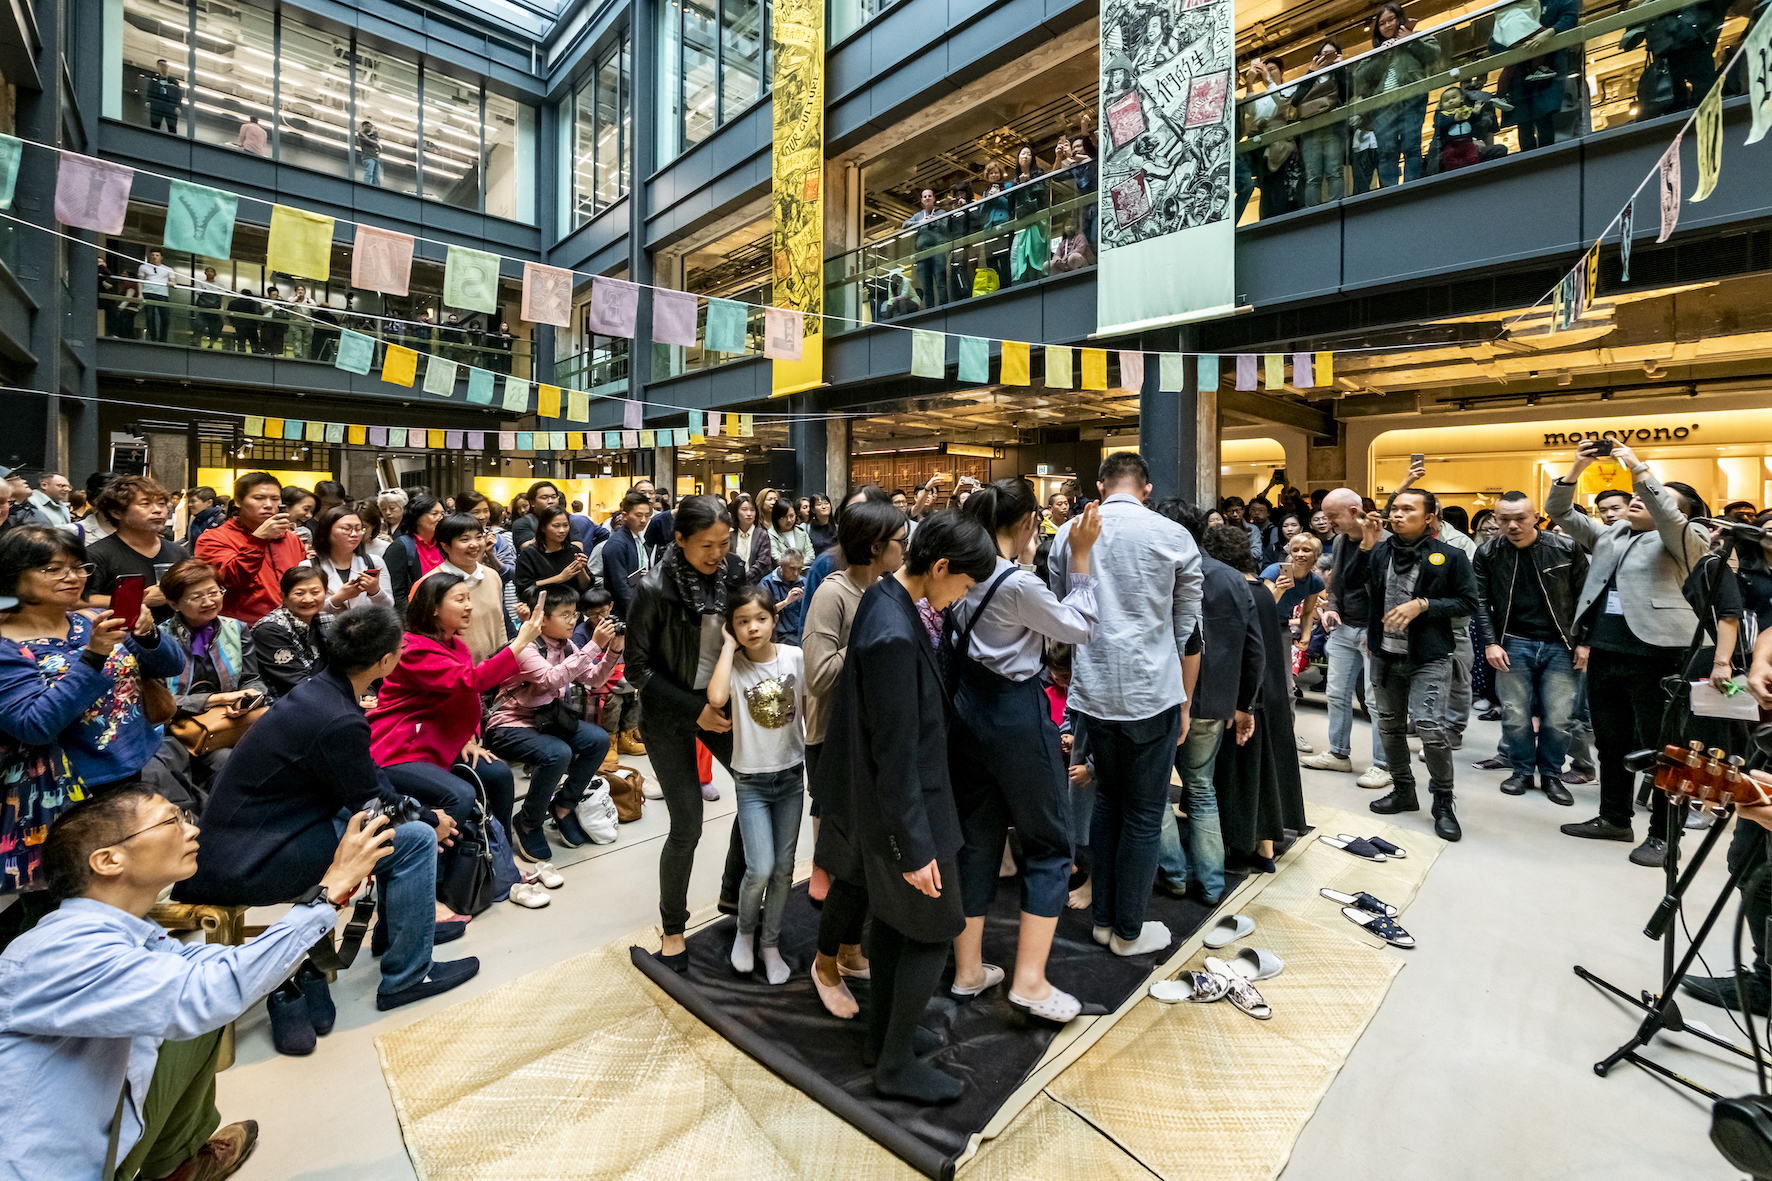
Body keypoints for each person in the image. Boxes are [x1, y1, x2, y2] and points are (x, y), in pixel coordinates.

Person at [0, 786, 391, 1180]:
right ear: (108, 860)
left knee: (207, 1014)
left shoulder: (130, 932)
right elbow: (207, 992)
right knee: (206, 1001)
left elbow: (218, 970)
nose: (192, 830)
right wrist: (329, 892)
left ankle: (178, 1164)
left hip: (101, 1136)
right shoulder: (60, 951)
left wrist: (327, 896)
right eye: (172, 821)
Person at [173, 607, 479, 1012]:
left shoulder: (322, 691)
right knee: (415, 838)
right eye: (399, 647)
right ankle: (408, 975)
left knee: (400, 827)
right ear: (384, 661)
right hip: (253, 860)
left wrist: (418, 812)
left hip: (258, 836)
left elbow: (367, 777)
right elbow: (371, 800)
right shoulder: (335, 716)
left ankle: (401, 933)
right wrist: (427, 818)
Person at [812, 510, 995, 1102]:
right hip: (906, 805)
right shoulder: (892, 627)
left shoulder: (886, 597)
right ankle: (893, 1067)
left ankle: (885, 1039)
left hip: (902, 798)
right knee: (931, 927)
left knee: (894, 924)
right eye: (964, 584)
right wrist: (913, 845)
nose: (963, 595)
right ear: (940, 567)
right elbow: (892, 750)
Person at [946, 479, 1100, 1022]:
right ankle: (1029, 982)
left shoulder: (961, 571)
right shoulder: (1017, 584)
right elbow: (1080, 628)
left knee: (976, 838)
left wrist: (1028, 559)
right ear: (1028, 524)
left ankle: (968, 972)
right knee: (1050, 844)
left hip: (968, 712)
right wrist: (1079, 559)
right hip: (1016, 714)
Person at [1047, 452, 1200, 957]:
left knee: (1110, 804)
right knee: (1142, 811)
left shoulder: (1069, 532)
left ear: (1099, 484)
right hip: (1152, 690)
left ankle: (1104, 919)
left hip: (1092, 692)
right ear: (1147, 488)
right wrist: (1185, 698)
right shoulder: (1174, 536)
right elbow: (1187, 627)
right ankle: (1128, 931)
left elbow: (1061, 610)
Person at [1548, 441, 1708, 866]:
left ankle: (1663, 836)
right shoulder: (1613, 533)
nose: (1638, 496)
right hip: (1606, 649)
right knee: (1611, 741)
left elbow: (1670, 519)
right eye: (1635, 493)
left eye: (1650, 495)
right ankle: (1614, 819)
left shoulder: (1688, 539)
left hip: (1660, 655)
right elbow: (1561, 513)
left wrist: (1639, 468)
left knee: (1663, 748)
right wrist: (1577, 466)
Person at [0, 526, 183, 894]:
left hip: (133, 770)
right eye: (52, 569)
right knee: (73, 896)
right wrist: (95, 655)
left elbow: (170, 665)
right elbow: (33, 724)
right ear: (12, 575)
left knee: (129, 890)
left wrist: (147, 634)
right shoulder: (7, 645)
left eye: (77, 566)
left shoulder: (89, 621)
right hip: (66, 792)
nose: (72, 577)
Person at [628, 496, 750, 971]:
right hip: (669, 714)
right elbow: (637, 669)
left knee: (758, 789)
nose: (717, 554)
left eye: (724, 543)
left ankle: (733, 891)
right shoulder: (654, 588)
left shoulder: (733, 574)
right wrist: (694, 710)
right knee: (688, 826)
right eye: (706, 545)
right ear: (679, 539)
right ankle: (674, 927)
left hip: (720, 706)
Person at [802, 498, 907, 1017]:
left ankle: (847, 950)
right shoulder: (833, 594)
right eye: (898, 541)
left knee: (868, 859)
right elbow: (819, 675)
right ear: (874, 547)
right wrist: (871, 636)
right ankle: (823, 963)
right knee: (850, 862)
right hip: (832, 742)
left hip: (870, 739)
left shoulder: (886, 590)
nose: (905, 549)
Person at [1340, 489, 1479, 841]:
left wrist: (1424, 604)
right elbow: (1350, 583)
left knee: (1431, 728)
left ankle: (1443, 802)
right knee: (1388, 724)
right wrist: (1368, 544)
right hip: (1385, 654)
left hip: (1428, 656)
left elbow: (1468, 603)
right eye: (1395, 509)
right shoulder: (1381, 549)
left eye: (1408, 509)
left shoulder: (1450, 555)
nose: (1398, 514)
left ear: (1430, 517)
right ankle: (1404, 790)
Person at [371, 573, 542, 843]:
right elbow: (471, 680)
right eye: (460, 599)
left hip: (442, 743)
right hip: (404, 748)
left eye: (469, 599)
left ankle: (500, 857)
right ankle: (446, 871)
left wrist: (470, 737)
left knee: (498, 775)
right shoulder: (413, 649)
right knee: (460, 794)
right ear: (434, 608)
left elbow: (467, 695)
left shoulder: (454, 643)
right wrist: (521, 642)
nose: (469, 606)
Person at [1154, 505, 1261, 901]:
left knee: (1158, 790)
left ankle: (1174, 874)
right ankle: (1212, 883)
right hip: (1215, 701)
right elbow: (1254, 649)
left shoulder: (1160, 571)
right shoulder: (1234, 578)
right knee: (1201, 789)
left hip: (1165, 696)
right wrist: (1244, 704)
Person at [706, 585, 808, 985]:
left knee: (783, 870)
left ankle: (771, 943)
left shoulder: (795, 658)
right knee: (760, 867)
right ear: (732, 627)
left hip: (790, 777)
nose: (753, 628)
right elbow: (715, 698)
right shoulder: (732, 668)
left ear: (775, 620)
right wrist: (728, 648)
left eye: (761, 619)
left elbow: (810, 705)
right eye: (742, 622)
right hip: (751, 781)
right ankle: (744, 934)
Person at [485, 585, 620, 863]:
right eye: (566, 615)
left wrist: (613, 652)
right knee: (558, 753)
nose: (573, 620)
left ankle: (563, 805)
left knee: (598, 740)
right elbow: (552, 679)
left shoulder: (566, 644)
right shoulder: (525, 647)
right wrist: (594, 644)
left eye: (574, 614)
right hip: (508, 724)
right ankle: (528, 821)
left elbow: (593, 679)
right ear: (542, 619)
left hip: (546, 719)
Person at [1471, 491, 1587, 805]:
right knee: (1515, 713)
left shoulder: (1565, 547)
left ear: (1536, 517)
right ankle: (1521, 770)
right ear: (1495, 519)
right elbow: (1479, 602)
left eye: (1520, 518)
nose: (1512, 525)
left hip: (1561, 644)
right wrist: (1491, 642)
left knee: (1558, 716)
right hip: (1513, 642)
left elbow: (1586, 598)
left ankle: (1551, 774)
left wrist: (1585, 642)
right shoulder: (1488, 552)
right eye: (1504, 519)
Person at [158, 558, 269, 784]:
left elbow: (252, 679)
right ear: (174, 604)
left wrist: (248, 699)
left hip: (230, 722)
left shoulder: (236, 629)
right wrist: (216, 699)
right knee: (227, 761)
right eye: (196, 597)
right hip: (179, 731)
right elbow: (161, 704)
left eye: (214, 592)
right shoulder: (159, 641)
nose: (208, 602)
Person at [194, 472, 308, 625]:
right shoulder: (213, 539)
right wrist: (258, 540)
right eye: (259, 498)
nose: (268, 505)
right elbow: (232, 579)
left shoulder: (291, 538)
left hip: (291, 627)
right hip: (243, 630)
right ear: (238, 502)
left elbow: (303, 582)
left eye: (274, 499)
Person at [1353, 2, 1440, 187]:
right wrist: (1383, 53)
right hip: (1383, 107)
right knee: (1386, 151)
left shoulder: (1417, 37)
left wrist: (1409, 40)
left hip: (1412, 100)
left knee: (1411, 146)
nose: (1387, 25)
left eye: (1391, 19)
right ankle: (1390, 193)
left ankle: (1412, 189)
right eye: (1382, 23)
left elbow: (1434, 54)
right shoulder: (1375, 52)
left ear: (1399, 18)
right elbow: (1360, 77)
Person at [85, 475, 190, 626]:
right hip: (120, 641)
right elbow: (78, 601)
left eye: (161, 504)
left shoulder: (178, 552)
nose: (157, 510)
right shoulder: (97, 554)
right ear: (117, 512)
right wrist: (138, 599)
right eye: (145, 504)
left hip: (174, 638)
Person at [411, 512, 510, 663]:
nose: (475, 544)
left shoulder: (492, 576)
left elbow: (499, 623)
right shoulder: (429, 583)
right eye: (465, 539)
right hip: (454, 674)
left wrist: (504, 662)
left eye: (479, 537)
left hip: (493, 671)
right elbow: (418, 636)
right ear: (445, 546)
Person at [251, 566, 328, 701]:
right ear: (283, 597)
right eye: (299, 594)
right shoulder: (269, 630)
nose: (308, 599)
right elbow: (298, 683)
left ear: (326, 593)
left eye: (315, 592)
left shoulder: (325, 621)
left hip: (320, 696)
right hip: (282, 705)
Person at [311, 503, 393, 616]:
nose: (354, 534)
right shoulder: (310, 566)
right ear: (327, 531)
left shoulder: (374, 562)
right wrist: (339, 598)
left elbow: (389, 607)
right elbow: (305, 610)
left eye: (359, 529)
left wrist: (375, 591)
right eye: (346, 529)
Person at [514, 504, 592, 602]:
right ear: (543, 528)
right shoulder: (529, 555)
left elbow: (586, 588)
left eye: (566, 525)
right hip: (543, 610)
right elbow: (524, 589)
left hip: (573, 610)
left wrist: (581, 570)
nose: (562, 530)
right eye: (556, 526)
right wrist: (560, 578)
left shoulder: (574, 551)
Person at [383, 491, 445, 609]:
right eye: (435, 513)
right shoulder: (400, 547)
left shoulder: (443, 544)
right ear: (417, 518)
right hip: (415, 617)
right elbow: (396, 594)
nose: (440, 518)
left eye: (442, 514)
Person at [601, 490, 655, 622]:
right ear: (624, 516)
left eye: (647, 516)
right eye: (638, 515)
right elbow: (620, 587)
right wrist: (640, 614)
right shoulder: (617, 544)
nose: (643, 520)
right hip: (624, 614)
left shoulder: (637, 537)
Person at [760, 550, 808, 645]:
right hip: (779, 636)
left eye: (799, 569)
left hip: (802, 633)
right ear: (781, 565)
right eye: (792, 568)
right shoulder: (767, 583)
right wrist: (786, 602)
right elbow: (762, 614)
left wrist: (808, 600)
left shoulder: (805, 583)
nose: (796, 573)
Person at [730, 494, 774, 582]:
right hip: (732, 585)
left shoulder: (762, 534)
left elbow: (763, 563)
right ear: (736, 512)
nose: (749, 514)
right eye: (744, 510)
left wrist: (744, 579)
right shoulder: (730, 535)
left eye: (752, 510)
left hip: (756, 585)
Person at [137, 250, 178, 344]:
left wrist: (170, 283)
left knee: (165, 317)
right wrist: (140, 294)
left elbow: (174, 282)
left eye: (157, 255)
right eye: (153, 255)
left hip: (162, 294)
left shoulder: (168, 269)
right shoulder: (144, 267)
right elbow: (140, 281)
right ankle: (153, 338)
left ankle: (163, 338)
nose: (155, 257)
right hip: (148, 292)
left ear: (161, 257)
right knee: (149, 316)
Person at [768, 498, 814, 568]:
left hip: (804, 572)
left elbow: (811, 556)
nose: (789, 520)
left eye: (792, 516)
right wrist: (801, 560)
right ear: (776, 518)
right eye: (784, 517)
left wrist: (792, 562)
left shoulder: (801, 532)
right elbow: (777, 558)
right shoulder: (771, 535)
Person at [144, 57, 183, 132]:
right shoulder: (154, 80)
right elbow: (150, 91)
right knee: (155, 124)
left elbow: (178, 95)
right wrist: (148, 101)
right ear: (158, 67)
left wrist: (178, 106)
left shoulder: (173, 81)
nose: (163, 68)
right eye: (161, 66)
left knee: (172, 126)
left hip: (170, 105)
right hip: (157, 104)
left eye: (164, 66)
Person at [357, 119, 382, 184]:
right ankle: (366, 186)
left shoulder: (370, 136)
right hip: (368, 157)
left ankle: (375, 190)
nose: (369, 127)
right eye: (367, 126)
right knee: (369, 173)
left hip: (375, 158)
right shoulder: (361, 134)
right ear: (363, 127)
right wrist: (376, 142)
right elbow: (373, 142)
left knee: (377, 177)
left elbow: (377, 144)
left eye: (370, 126)